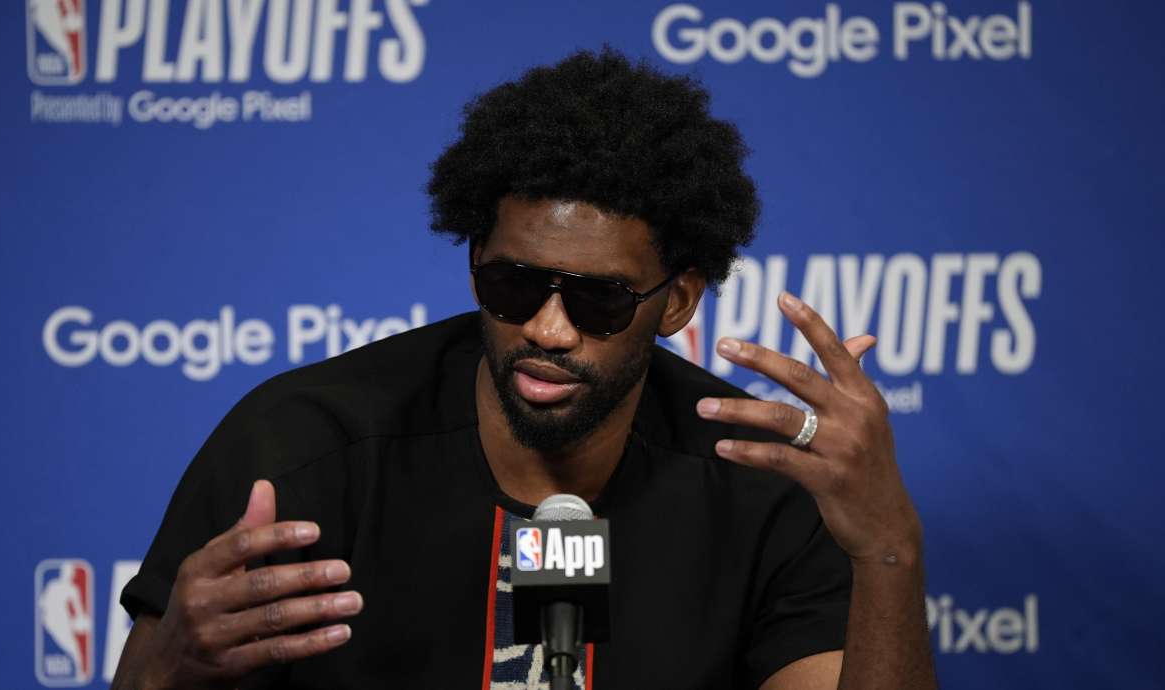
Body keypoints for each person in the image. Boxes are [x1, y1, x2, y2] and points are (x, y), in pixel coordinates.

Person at [110, 48, 936, 690]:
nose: (547, 329)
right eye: (513, 284)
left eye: (601, 300)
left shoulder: (759, 490)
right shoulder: (300, 449)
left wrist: (888, 546)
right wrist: (169, 666)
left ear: (678, 301)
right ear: (474, 261)